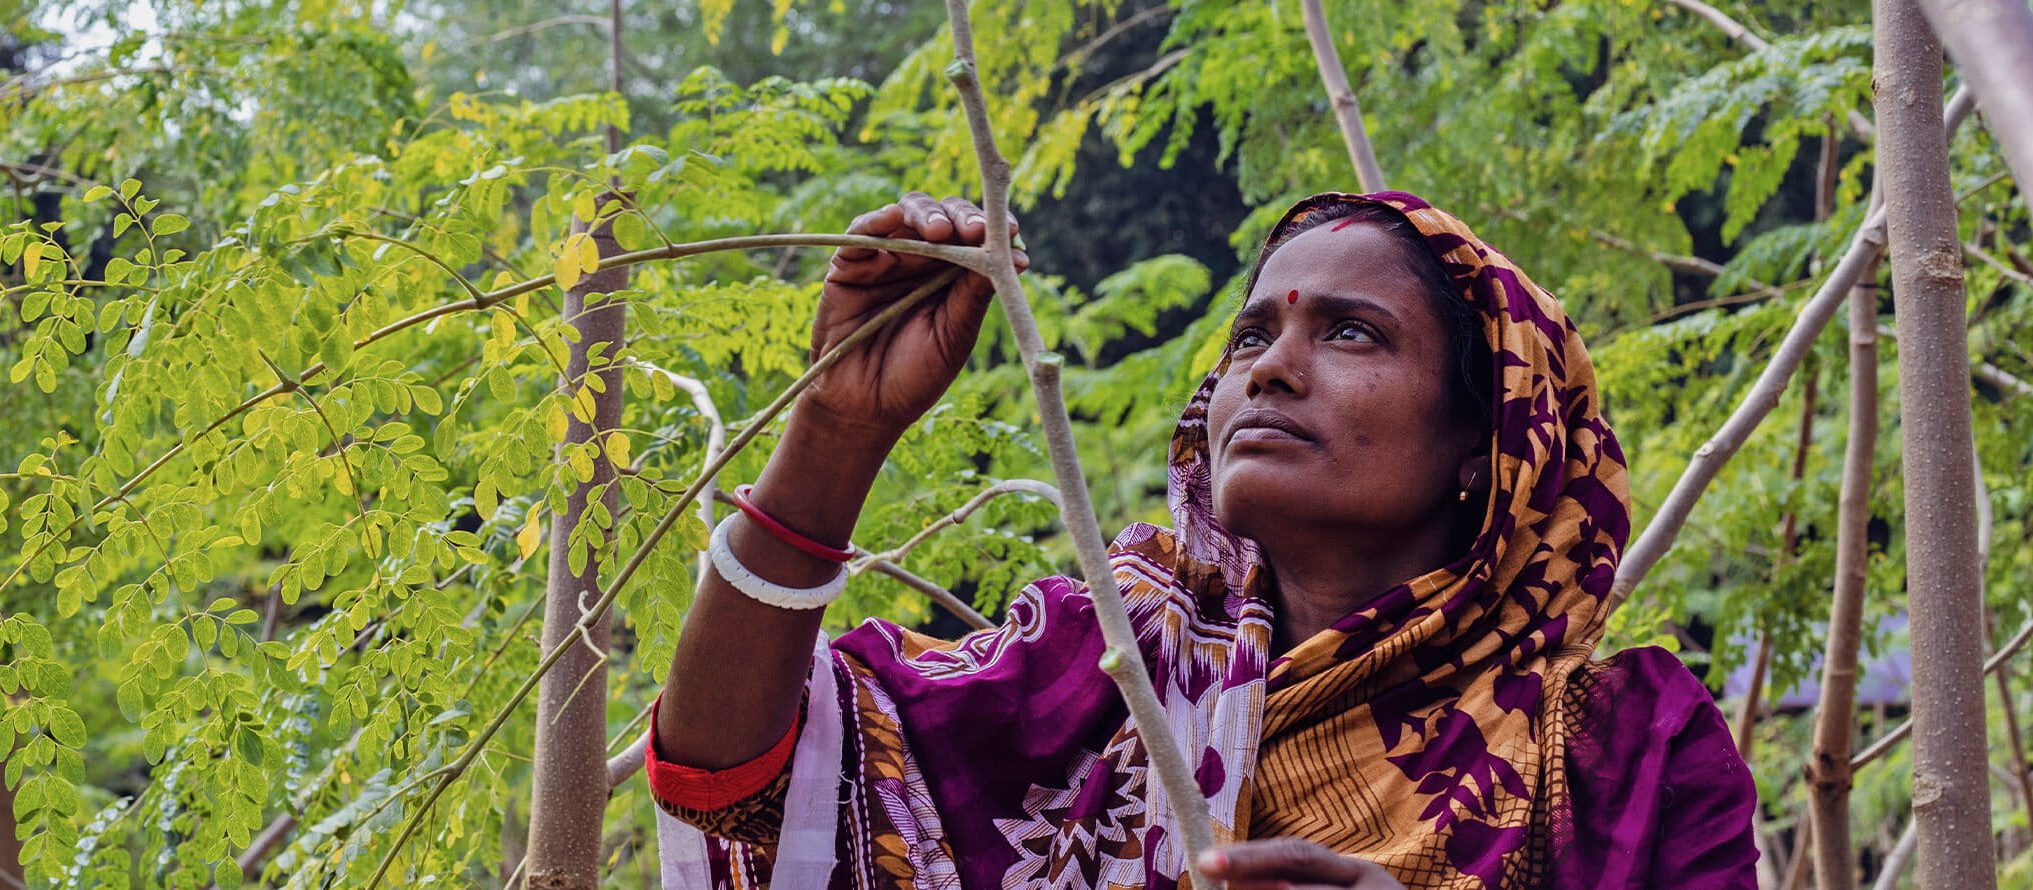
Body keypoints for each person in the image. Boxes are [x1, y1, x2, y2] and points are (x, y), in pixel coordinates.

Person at [646, 190, 1759, 889]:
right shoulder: (1103, 667)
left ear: (1491, 440)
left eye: (1354, 333)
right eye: (1253, 333)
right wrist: (837, 431)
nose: (1270, 365)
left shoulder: (1626, 753)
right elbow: (736, 780)